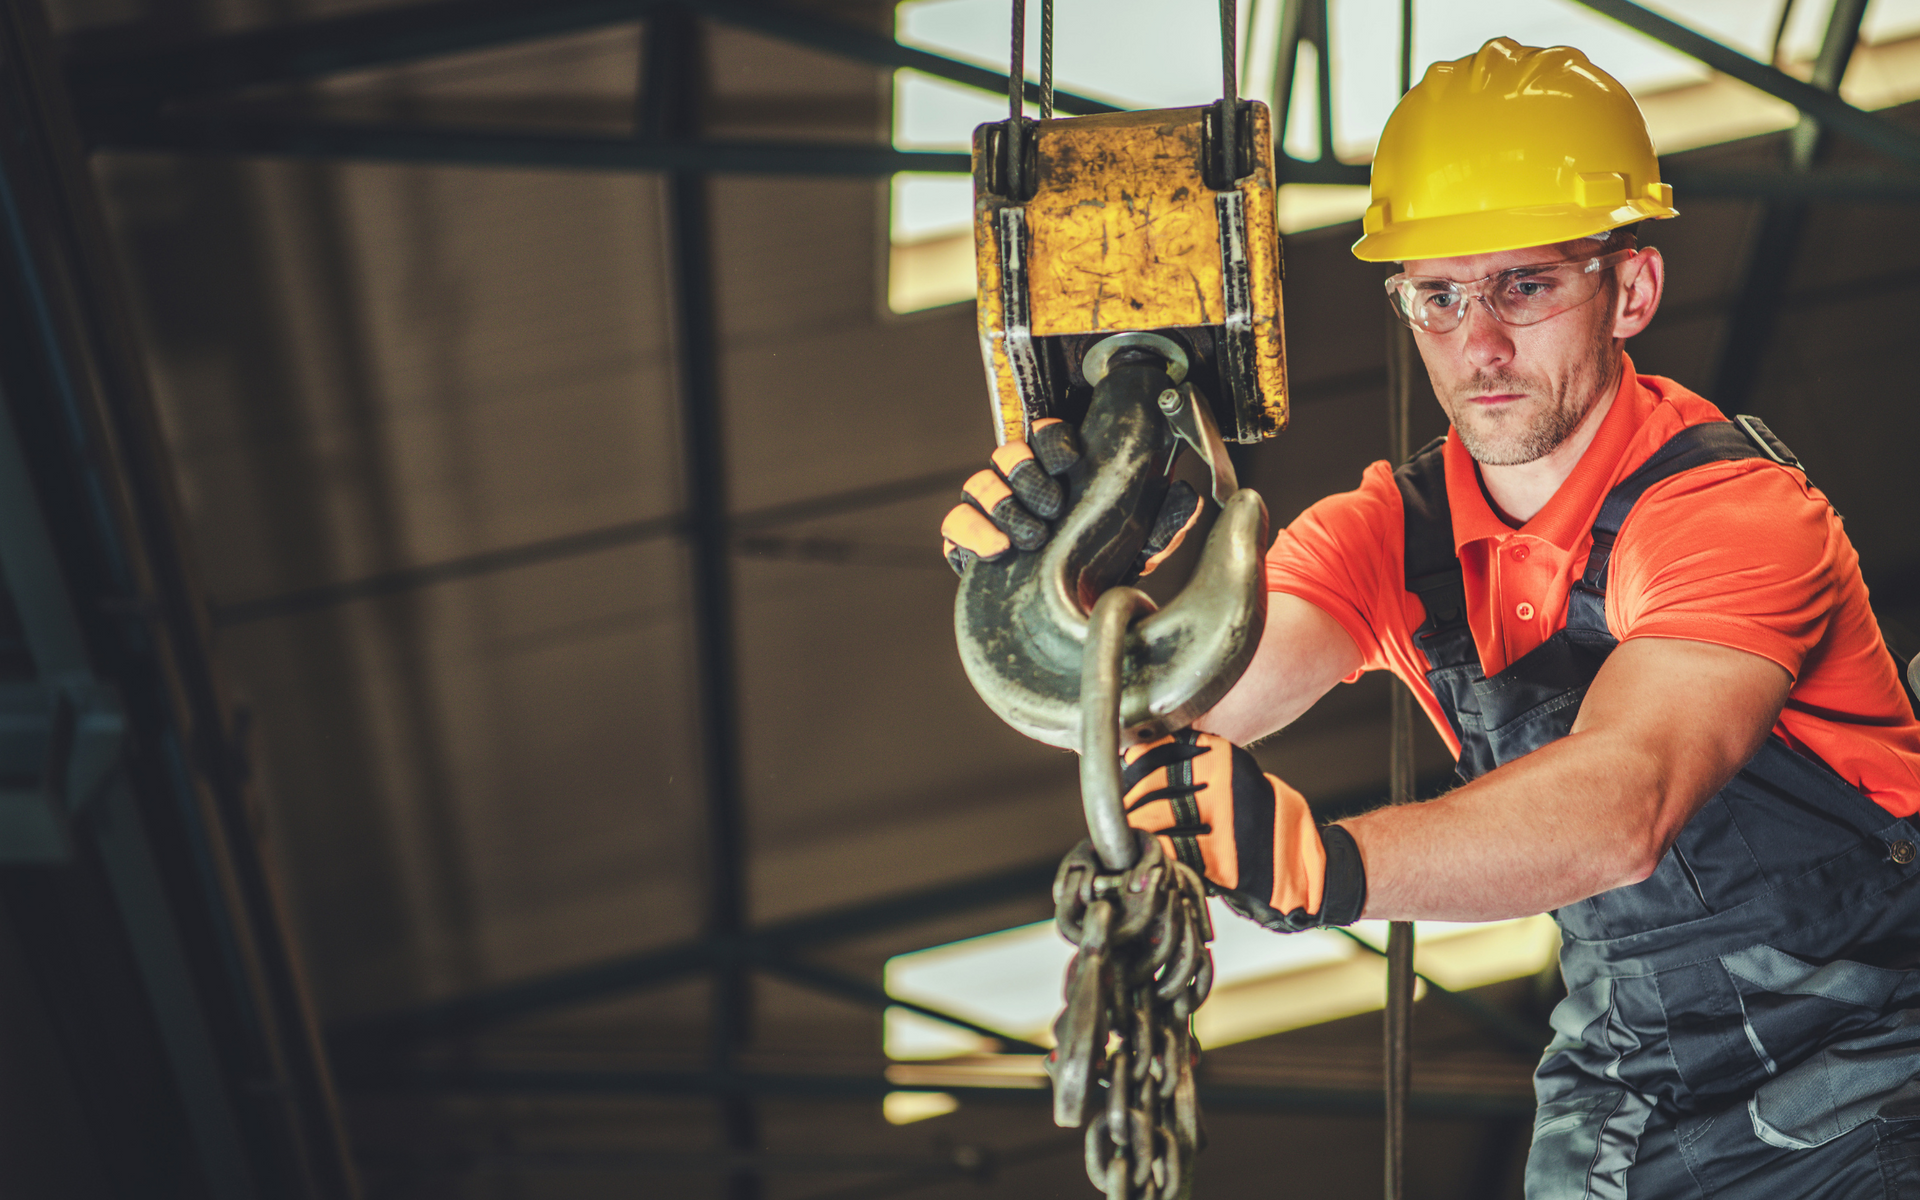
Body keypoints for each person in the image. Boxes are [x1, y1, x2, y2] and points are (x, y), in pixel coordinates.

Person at [942, 37, 1920, 1199]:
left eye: (1526, 285)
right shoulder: (1386, 535)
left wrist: (1331, 866)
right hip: (1626, 1108)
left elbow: (1627, 801)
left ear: (1632, 290)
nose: (1481, 345)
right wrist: (1055, 579)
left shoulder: (1728, 515)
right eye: (1440, 297)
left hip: (1869, 1084)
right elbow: (1174, 703)